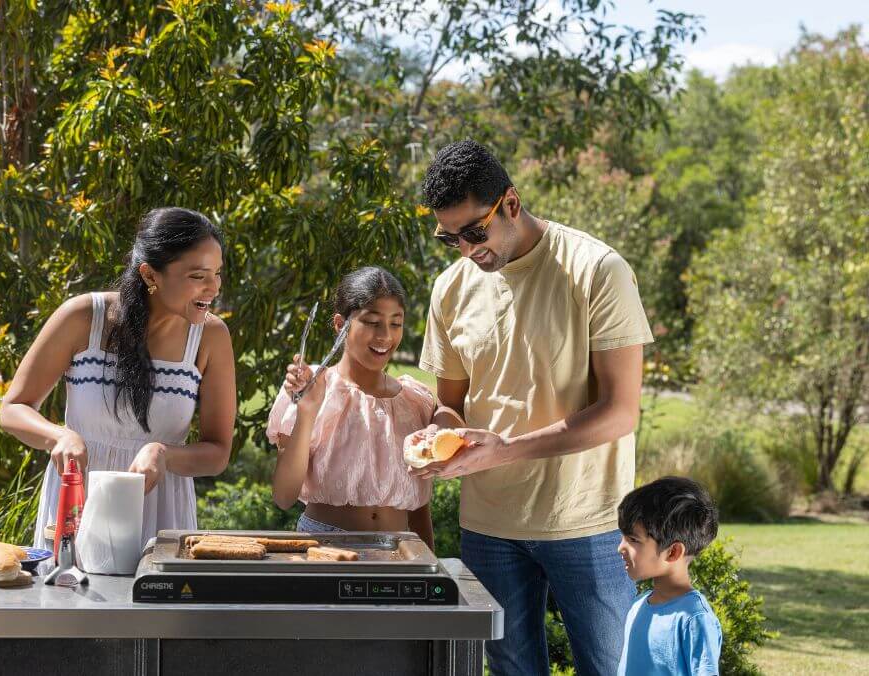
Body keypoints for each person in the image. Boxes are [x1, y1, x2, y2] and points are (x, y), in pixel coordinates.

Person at [408, 139, 654, 675]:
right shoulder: (450, 290)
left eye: (476, 231)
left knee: (611, 669)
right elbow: (449, 407)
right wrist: (436, 439)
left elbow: (620, 410)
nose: (468, 250)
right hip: (489, 525)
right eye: (450, 238)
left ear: (512, 204)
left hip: (586, 522)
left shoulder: (596, 270)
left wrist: (506, 450)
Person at [0, 207, 237, 553]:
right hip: (75, 505)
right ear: (150, 275)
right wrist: (58, 436)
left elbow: (218, 452)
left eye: (217, 273)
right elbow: (12, 408)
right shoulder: (83, 317)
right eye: (198, 276)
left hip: (161, 517)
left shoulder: (211, 337)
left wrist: (164, 454)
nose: (213, 287)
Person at [266, 267, 440, 547]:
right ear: (340, 324)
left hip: (401, 549)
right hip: (325, 547)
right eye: (372, 322)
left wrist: (428, 564)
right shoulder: (311, 387)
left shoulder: (415, 400)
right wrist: (307, 411)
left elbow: (418, 501)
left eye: (396, 323)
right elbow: (284, 496)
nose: (385, 335)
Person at [616, 476, 723, 676]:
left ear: (673, 552)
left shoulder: (694, 619)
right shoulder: (638, 607)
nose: (620, 547)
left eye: (633, 539)